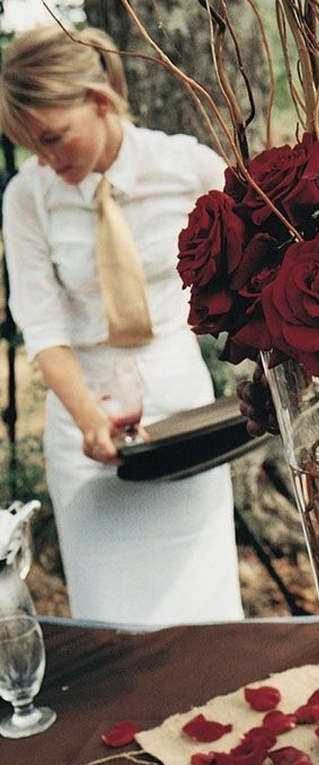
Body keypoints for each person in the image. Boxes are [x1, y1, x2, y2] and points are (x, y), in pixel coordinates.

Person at [0, 25, 244, 625]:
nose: (48, 160)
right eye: (33, 148)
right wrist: (91, 422)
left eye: (55, 138)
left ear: (100, 101)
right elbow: (44, 330)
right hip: (85, 424)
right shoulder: (28, 198)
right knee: (111, 618)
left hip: (183, 412)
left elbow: (256, 267)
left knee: (200, 609)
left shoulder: (187, 167)